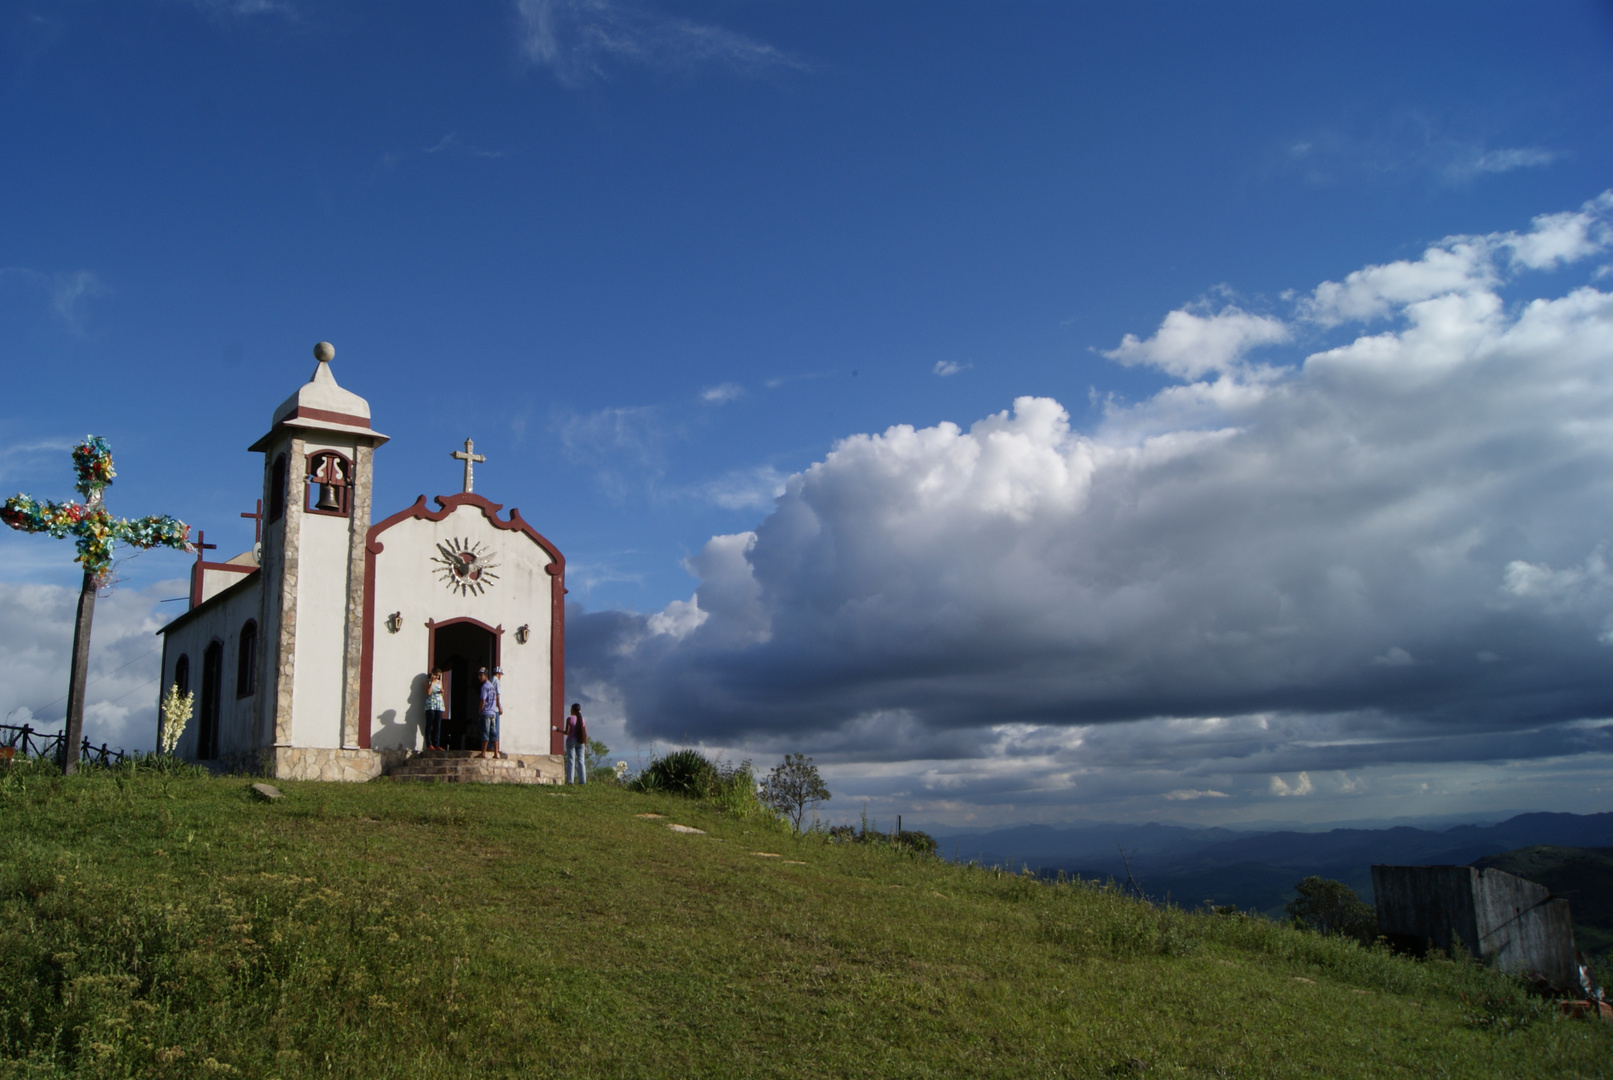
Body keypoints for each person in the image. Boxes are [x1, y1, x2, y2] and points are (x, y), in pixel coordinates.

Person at [477, 667, 501, 759]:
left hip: (486, 712)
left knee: (485, 732)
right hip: (493, 712)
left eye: (481, 675)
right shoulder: (492, 686)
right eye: (479, 675)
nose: (479, 677)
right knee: (494, 733)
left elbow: (483, 700)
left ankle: (483, 753)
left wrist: (480, 711)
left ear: (486, 676)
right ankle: (496, 753)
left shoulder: (484, 687)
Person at [562, 703, 587, 784]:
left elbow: (567, 732)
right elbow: (585, 734)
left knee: (571, 761)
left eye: (571, 709)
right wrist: (585, 745)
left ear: (573, 710)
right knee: (581, 762)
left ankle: (570, 781)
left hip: (571, 741)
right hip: (581, 742)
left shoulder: (569, 719)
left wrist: (558, 730)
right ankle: (582, 781)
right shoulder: (582, 720)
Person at [423, 667, 445, 750]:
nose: (437, 677)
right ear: (432, 674)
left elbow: (442, 695)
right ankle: (429, 743)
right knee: (429, 723)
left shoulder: (440, 682)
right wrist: (432, 682)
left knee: (437, 724)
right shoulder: (426, 682)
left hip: (438, 704)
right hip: (430, 704)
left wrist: (442, 692)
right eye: (436, 675)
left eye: (438, 676)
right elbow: (428, 692)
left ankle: (436, 744)